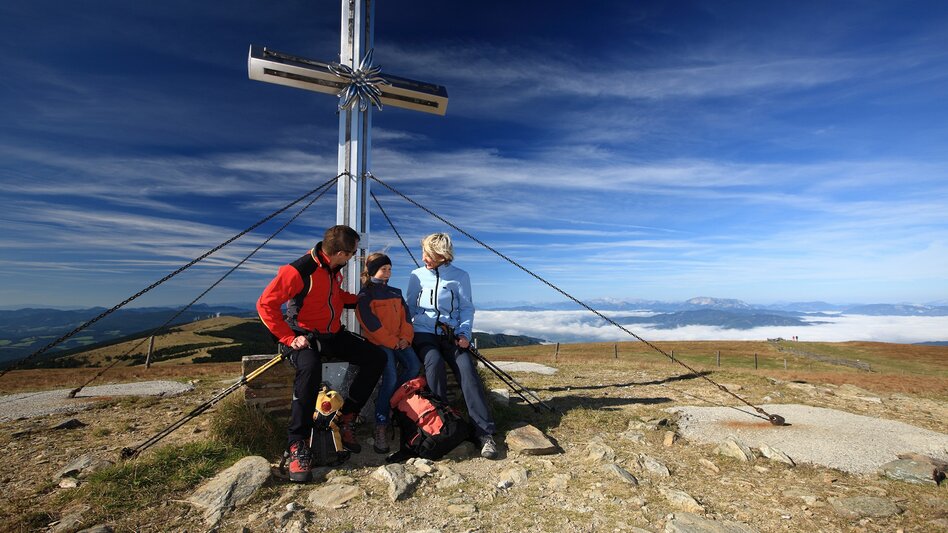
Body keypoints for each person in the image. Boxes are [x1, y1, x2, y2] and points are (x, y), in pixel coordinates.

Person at [257, 225, 385, 483]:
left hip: (332, 333)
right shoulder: (299, 270)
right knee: (310, 369)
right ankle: (297, 444)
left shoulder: (332, 268)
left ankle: (346, 416)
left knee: (376, 358)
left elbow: (333, 296)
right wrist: (289, 338)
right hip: (302, 335)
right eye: (351, 254)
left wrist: (360, 299)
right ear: (340, 253)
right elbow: (265, 304)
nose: (351, 259)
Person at [405, 232, 500, 459]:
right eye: (424, 252)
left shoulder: (460, 276)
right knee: (433, 362)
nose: (423, 257)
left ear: (441, 255)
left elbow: (466, 308)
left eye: (428, 254)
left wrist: (464, 333)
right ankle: (441, 426)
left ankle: (485, 433)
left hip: (451, 334)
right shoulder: (416, 275)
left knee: (467, 369)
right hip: (423, 332)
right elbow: (409, 307)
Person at [356, 252, 421, 454]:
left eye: (390, 269)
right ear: (373, 270)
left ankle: (387, 400)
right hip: (380, 343)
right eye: (384, 269)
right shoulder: (365, 295)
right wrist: (394, 342)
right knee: (391, 374)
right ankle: (381, 423)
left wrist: (405, 339)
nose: (388, 272)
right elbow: (371, 326)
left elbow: (406, 319)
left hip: (400, 340)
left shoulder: (395, 292)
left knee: (414, 366)